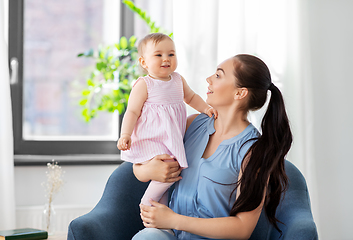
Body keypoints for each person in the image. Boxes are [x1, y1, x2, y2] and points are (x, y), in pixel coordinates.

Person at [131, 54, 293, 239]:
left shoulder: (252, 150)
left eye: (218, 75)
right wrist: (149, 170)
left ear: (240, 93)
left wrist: (174, 220)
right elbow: (139, 162)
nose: (208, 79)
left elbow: (242, 228)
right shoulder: (191, 125)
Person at [117, 33, 217, 206]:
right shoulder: (144, 84)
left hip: (169, 139)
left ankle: (158, 217)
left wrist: (206, 108)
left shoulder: (178, 80)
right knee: (170, 169)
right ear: (143, 62)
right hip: (152, 139)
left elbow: (191, 97)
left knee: (166, 180)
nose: (166, 59)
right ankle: (147, 202)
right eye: (158, 55)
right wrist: (125, 134)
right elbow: (132, 111)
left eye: (171, 54)